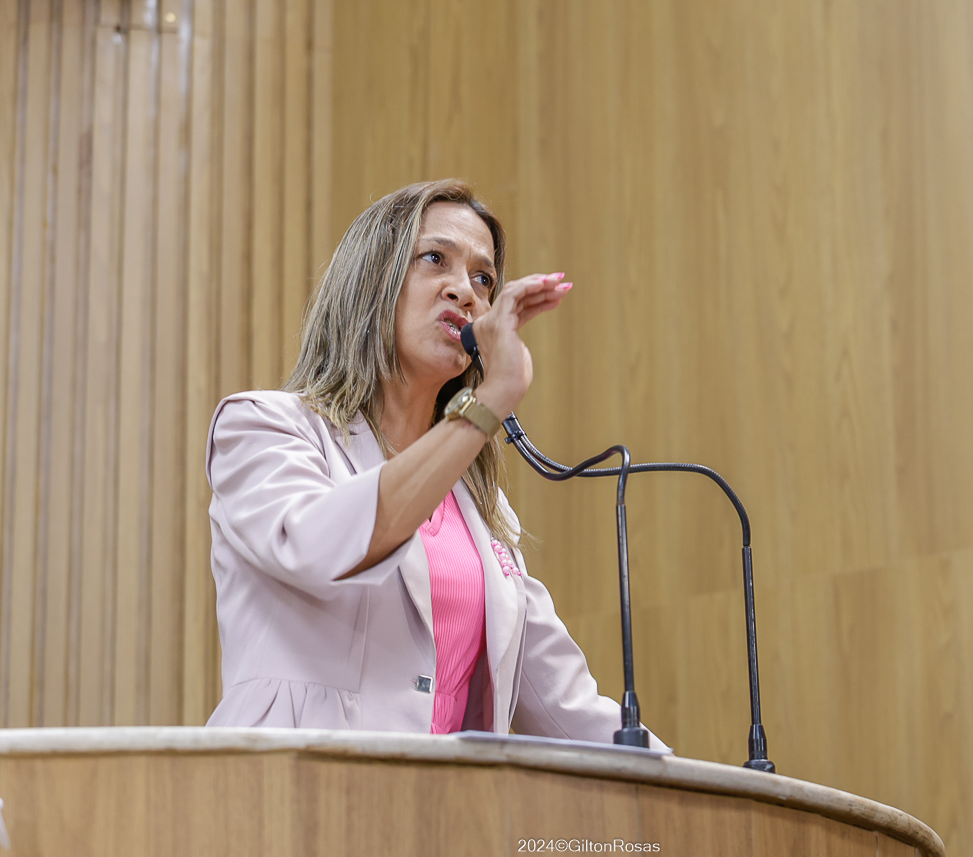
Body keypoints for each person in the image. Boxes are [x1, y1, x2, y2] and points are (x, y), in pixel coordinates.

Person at [204, 179, 663, 747]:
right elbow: (318, 548)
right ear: (372, 280)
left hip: (440, 802)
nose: (465, 291)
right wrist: (489, 403)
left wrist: (692, 784)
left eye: (483, 279)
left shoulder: (481, 507)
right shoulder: (262, 427)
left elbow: (565, 707)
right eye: (435, 259)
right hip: (289, 788)